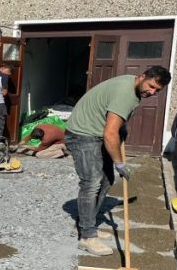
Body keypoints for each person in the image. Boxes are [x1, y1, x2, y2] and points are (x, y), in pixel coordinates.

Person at [65, 66, 171, 256]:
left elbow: (113, 121)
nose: (152, 92)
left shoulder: (132, 85)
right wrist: (119, 163)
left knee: (106, 180)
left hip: (95, 132)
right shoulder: (126, 94)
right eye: (151, 86)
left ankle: (84, 225)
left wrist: (122, 130)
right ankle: (87, 237)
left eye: (157, 91)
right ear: (142, 77)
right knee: (91, 182)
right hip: (83, 135)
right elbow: (110, 133)